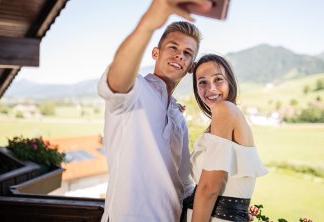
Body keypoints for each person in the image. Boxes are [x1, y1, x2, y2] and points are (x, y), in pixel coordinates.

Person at [97, 0, 212, 221]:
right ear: (155, 53)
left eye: (188, 53)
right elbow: (116, 83)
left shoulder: (178, 117)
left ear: (190, 68)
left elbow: (184, 184)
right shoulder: (135, 91)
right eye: (173, 47)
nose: (180, 55)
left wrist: (228, 211)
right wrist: (148, 25)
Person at [181, 54, 268, 222]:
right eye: (202, 82)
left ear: (230, 82)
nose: (211, 88)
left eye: (218, 79)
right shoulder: (226, 117)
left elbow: (209, 188)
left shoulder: (225, 110)